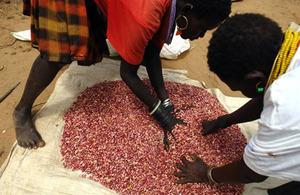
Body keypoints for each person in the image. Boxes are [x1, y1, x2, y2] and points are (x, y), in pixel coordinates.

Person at [14, 0, 231, 149]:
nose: (200, 35)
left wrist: (166, 99)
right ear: (187, 10)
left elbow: (152, 54)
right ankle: (21, 110)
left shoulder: (172, 6)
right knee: (58, 53)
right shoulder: (145, 16)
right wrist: (162, 116)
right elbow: (128, 74)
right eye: (202, 27)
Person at [174, 13, 300, 192]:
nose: (241, 93)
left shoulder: (285, 104)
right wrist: (224, 120)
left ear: (256, 79)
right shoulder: (292, 46)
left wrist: (207, 173)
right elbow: (262, 94)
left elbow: (253, 173)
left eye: (238, 88)